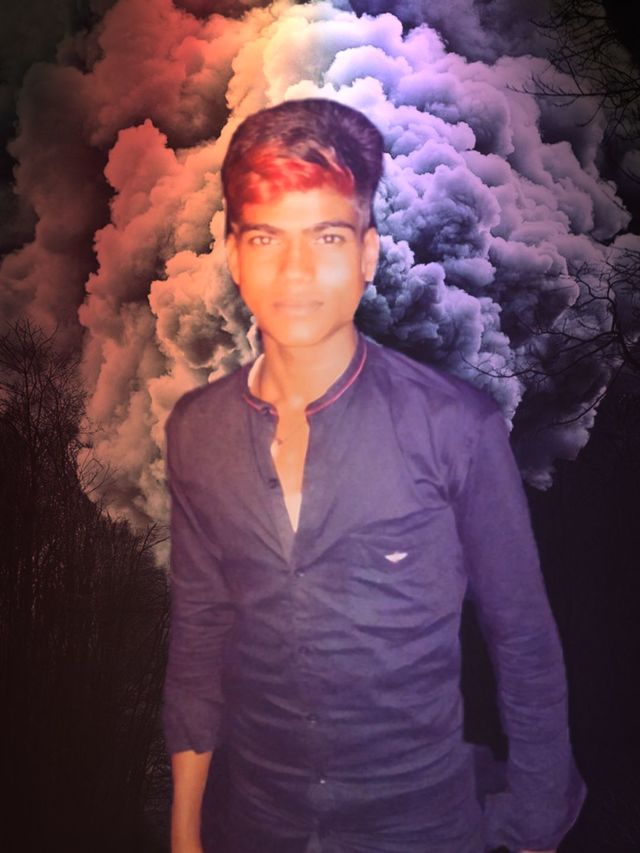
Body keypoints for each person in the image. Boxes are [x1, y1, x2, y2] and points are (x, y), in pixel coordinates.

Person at [163, 98, 586, 853]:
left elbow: (522, 638)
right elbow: (199, 633)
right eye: (266, 236)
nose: (295, 271)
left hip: (421, 825)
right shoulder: (196, 433)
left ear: (365, 255)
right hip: (254, 823)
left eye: (326, 236)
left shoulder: (456, 428)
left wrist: (533, 827)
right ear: (234, 253)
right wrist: (185, 832)